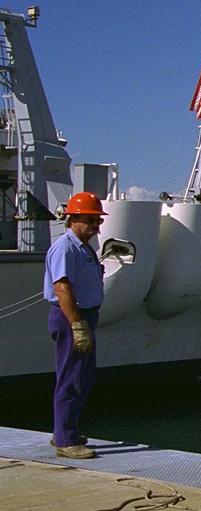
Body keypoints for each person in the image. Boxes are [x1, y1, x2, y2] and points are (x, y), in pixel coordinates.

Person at [44, 192, 108, 460]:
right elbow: (62, 287)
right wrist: (77, 325)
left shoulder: (83, 247)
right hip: (72, 317)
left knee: (82, 376)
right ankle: (66, 440)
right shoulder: (66, 248)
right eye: (91, 220)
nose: (96, 226)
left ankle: (64, 430)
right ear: (73, 219)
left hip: (83, 317)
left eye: (98, 220)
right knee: (72, 378)